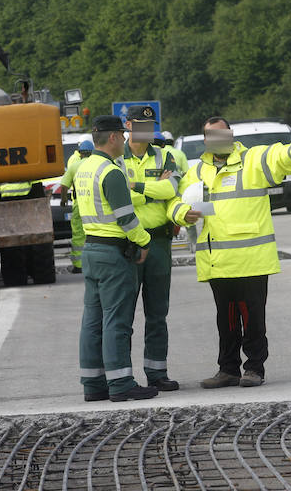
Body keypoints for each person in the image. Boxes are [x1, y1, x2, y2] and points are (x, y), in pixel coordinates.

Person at [168, 116, 291, 388]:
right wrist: (182, 213)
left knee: (253, 318)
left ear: (231, 135)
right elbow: (176, 201)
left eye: (223, 134)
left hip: (251, 259)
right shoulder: (197, 172)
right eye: (212, 136)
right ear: (205, 140)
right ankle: (228, 369)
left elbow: (278, 156)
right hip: (218, 261)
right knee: (226, 320)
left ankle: (254, 368)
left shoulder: (252, 161)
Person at [74, 115, 157, 403]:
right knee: (116, 320)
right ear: (112, 138)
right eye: (122, 135)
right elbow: (126, 218)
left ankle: (93, 384)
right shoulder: (111, 172)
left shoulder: (84, 169)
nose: (124, 139)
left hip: (91, 250)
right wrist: (144, 241)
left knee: (92, 320)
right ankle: (121, 383)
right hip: (112, 254)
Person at [123, 105, 182, 392]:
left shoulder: (164, 155)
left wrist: (135, 186)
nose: (147, 130)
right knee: (123, 315)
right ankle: (123, 377)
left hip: (159, 242)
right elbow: (117, 196)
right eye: (140, 124)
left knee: (158, 313)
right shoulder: (115, 157)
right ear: (128, 125)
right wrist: (150, 190)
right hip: (128, 243)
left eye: (150, 125)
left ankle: (157, 373)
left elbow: (171, 189)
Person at [60, 139, 94, 273]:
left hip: (79, 205)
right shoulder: (98, 164)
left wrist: (64, 200)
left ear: (80, 153)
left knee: (79, 235)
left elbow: (64, 186)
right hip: (97, 205)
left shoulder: (74, 166)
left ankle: (79, 265)